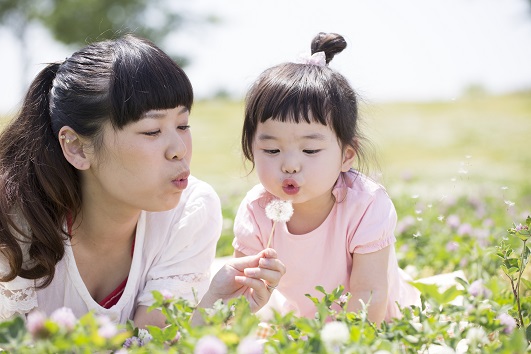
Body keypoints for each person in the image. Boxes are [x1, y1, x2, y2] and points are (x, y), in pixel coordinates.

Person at [0, 34, 285, 327]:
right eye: (152, 131)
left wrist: (212, 307)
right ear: (76, 147)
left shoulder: (189, 211)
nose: (180, 149)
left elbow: (150, 344)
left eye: (183, 125)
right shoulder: (13, 225)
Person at [232, 32, 420, 325]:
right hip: (305, 326)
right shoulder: (256, 210)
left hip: (381, 323)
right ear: (251, 149)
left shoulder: (366, 204)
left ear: (346, 155)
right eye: (271, 149)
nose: (291, 165)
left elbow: (368, 294)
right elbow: (240, 292)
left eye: (310, 150)